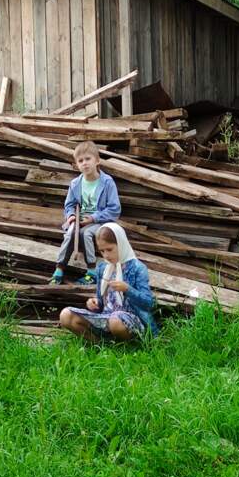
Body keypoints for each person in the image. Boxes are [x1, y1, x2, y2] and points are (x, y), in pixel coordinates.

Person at [59, 222, 158, 341]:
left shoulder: (137, 268)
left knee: (115, 321)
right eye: (102, 251)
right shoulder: (103, 268)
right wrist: (94, 303)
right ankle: (99, 344)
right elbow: (101, 302)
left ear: (121, 244)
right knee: (66, 315)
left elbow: (149, 303)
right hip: (105, 317)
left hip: (131, 321)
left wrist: (127, 289)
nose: (106, 255)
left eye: (110, 249)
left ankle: (127, 346)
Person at [49, 141, 121, 286]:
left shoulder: (107, 182)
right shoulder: (75, 184)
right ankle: (59, 269)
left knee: (86, 234)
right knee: (70, 233)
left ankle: (92, 271)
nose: (85, 163)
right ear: (76, 165)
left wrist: (93, 218)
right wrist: (71, 216)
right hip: (80, 219)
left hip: (99, 221)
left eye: (88, 159)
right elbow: (69, 205)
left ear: (97, 160)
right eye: (80, 161)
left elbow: (115, 209)